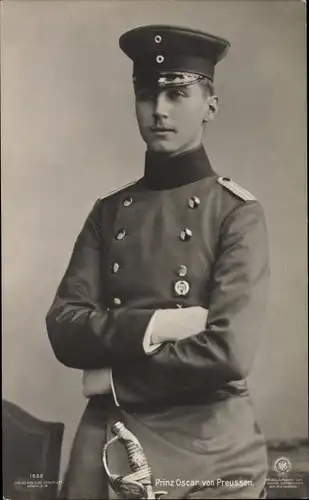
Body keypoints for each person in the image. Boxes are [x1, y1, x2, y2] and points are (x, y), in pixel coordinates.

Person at [46, 24, 270, 499]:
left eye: (178, 93)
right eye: (148, 95)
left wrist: (112, 376)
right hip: (114, 429)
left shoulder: (235, 212)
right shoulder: (109, 212)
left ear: (211, 104)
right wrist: (161, 325)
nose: (160, 111)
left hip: (211, 440)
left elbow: (227, 352)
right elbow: (64, 327)